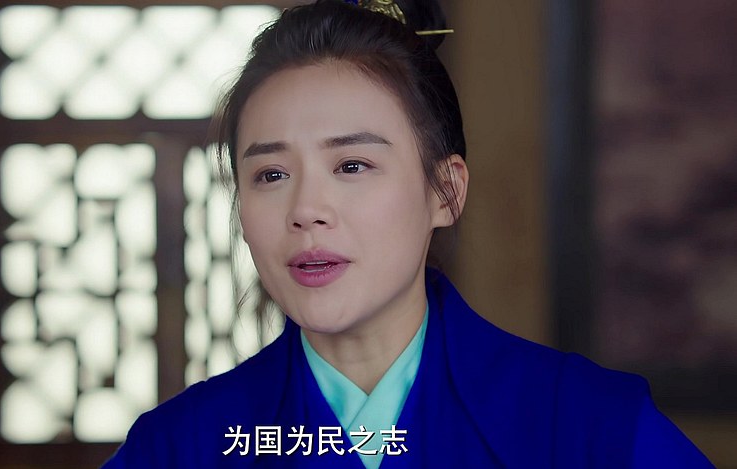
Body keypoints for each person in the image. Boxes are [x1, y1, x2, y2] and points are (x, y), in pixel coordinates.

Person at [103, 0, 712, 467]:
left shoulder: (591, 427)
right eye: (271, 174)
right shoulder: (179, 447)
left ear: (445, 191)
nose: (306, 210)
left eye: (352, 166)